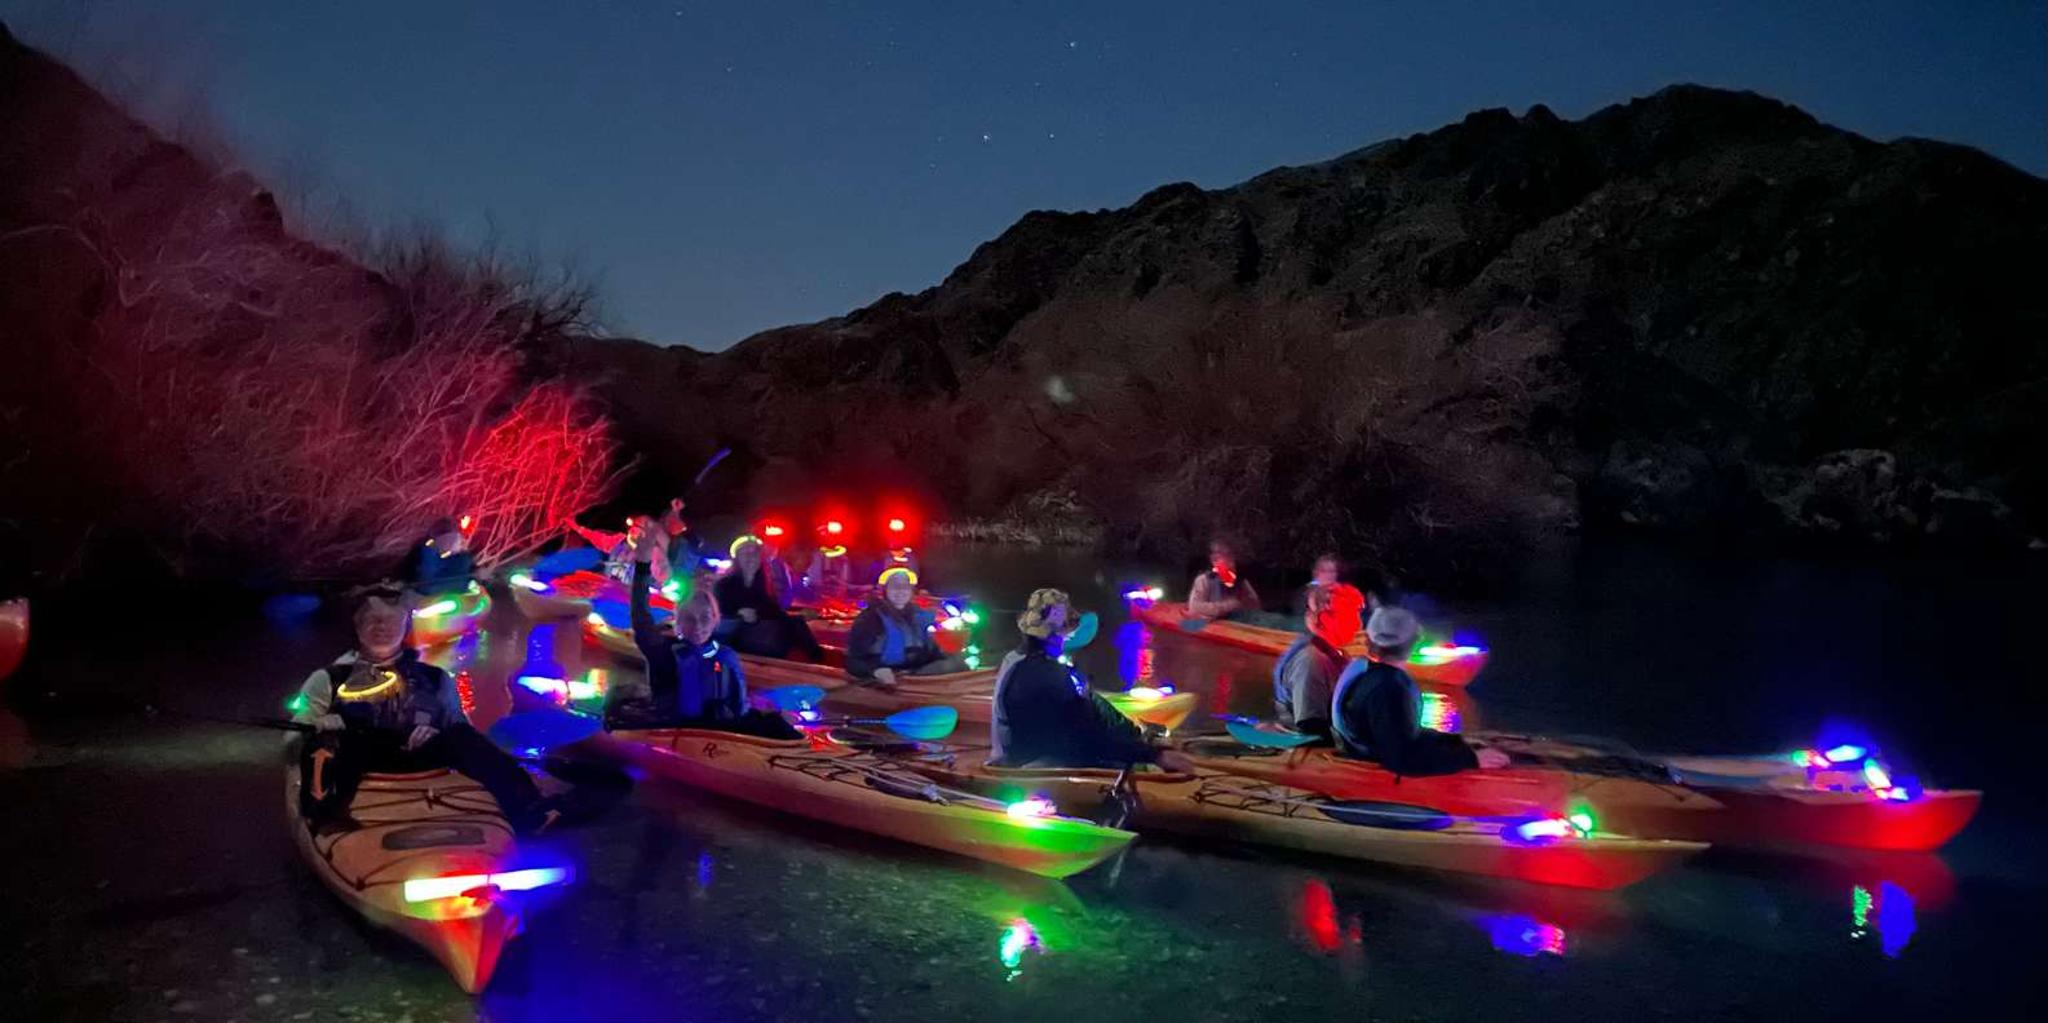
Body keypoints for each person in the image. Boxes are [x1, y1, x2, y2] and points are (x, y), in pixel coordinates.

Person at [293, 584, 558, 834]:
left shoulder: (436, 678)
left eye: (391, 620)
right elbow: (291, 740)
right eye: (373, 619)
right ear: (357, 626)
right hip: (358, 756)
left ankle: (528, 809)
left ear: (405, 626)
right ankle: (325, 814)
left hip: (421, 755)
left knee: (464, 738)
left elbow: (459, 726)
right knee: (322, 744)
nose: (382, 627)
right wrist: (317, 724)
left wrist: (435, 732)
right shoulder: (329, 677)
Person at [617, 528, 798, 737]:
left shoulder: (725, 655)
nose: (698, 626)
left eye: (704, 618)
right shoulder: (662, 653)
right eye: (689, 619)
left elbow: (739, 708)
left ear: (715, 620)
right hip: (681, 733)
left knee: (778, 723)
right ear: (678, 623)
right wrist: (642, 566)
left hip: (723, 734)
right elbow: (641, 617)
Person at [990, 588, 1195, 771]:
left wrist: (1138, 738)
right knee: (1131, 762)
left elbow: (1092, 706)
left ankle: (1141, 738)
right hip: (1033, 763)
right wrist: (1153, 756)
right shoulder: (1049, 677)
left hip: (1031, 750)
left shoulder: (1015, 659)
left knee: (1098, 708)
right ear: (1059, 634)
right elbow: (1087, 735)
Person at [1330, 606, 1509, 775]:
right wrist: (1470, 759)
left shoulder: (1371, 675)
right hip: (1375, 768)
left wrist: (1453, 741)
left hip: (1369, 750)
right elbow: (1401, 759)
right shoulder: (1387, 686)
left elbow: (1400, 733)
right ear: (1414, 641)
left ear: (1369, 641)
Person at [1272, 582, 1366, 736]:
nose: (1358, 624)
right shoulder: (1312, 661)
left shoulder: (1332, 653)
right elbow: (1310, 724)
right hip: (1306, 742)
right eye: (1350, 615)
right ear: (1325, 619)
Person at [843, 567, 964, 684]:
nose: (900, 590)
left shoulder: (917, 616)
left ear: (911, 591)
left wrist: (947, 658)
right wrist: (876, 671)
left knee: (957, 661)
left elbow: (932, 652)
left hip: (912, 674)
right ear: (885, 590)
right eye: (895, 586)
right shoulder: (870, 619)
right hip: (886, 676)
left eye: (905, 586)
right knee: (950, 665)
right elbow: (853, 661)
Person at [713, 536, 826, 661]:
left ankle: (819, 661)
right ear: (737, 559)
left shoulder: (762, 583)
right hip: (737, 638)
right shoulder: (724, 585)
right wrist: (738, 615)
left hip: (758, 633)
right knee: (779, 634)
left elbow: (773, 610)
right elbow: (718, 619)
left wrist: (801, 615)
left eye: (754, 553)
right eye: (745, 553)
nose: (750, 558)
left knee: (796, 624)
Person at [1186, 538, 1262, 621]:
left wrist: (1240, 604)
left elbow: (1255, 605)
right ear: (1213, 560)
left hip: (1235, 625)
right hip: (1213, 628)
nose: (1231, 563)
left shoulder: (1240, 581)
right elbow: (1195, 607)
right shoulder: (1203, 580)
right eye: (1226, 556)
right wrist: (1229, 606)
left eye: (1231, 557)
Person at [406, 518, 476, 596]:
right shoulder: (425, 550)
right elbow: (409, 567)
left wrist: (479, 575)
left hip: (456, 596)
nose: (447, 538)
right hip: (427, 596)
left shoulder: (463, 557)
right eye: (442, 532)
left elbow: (473, 572)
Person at [805, 518, 856, 600]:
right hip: (815, 597)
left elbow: (845, 583)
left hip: (838, 599)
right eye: (827, 535)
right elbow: (813, 582)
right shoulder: (814, 556)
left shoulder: (843, 558)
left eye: (834, 536)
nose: (831, 539)